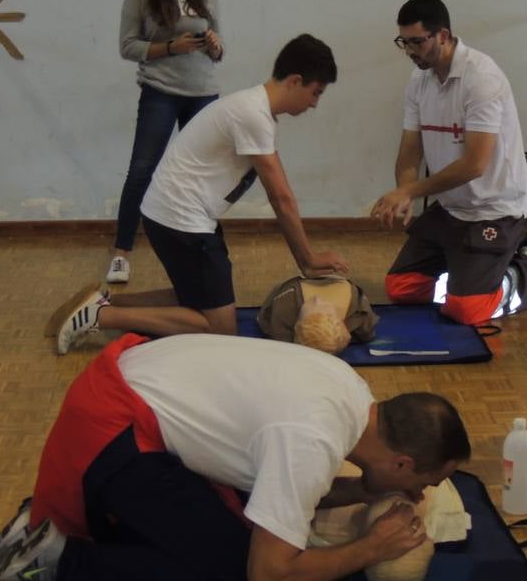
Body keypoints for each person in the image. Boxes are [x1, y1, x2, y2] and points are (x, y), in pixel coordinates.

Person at [0, 333, 470, 581]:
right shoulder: (312, 439)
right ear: (401, 461)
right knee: (236, 571)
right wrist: (370, 549)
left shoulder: (349, 391)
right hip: (111, 431)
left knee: (234, 522)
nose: (420, 493)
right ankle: (56, 559)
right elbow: (270, 577)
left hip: (130, 388)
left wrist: (361, 494)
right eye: (424, 482)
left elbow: (290, 485)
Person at [50, 35, 349, 354]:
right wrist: (308, 259)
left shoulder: (252, 107)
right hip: (180, 222)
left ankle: (105, 302)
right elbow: (281, 197)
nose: (315, 103)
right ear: (295, 81)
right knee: (221, 329)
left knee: (195, 296)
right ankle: (100, 316)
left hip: (174, 216)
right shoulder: (253, 114)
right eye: (316, 93)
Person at [371, 0, 527, 327]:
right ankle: (468, 271)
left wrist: (411, 192)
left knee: (466, 311)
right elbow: (409, 152)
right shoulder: (419, 81)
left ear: (442, 35)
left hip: (496, 211)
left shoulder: (481, 78)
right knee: (402, 288)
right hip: (451, 210)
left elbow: (475, 165)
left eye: (417, 42)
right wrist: (405, 192)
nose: (410, 51)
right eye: (404, 42)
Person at [108, 0, 227, 286]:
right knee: (142, 169)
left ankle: (207, 245)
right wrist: (170, 48)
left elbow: (221, 50)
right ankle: (121, 253)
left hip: (203, 92)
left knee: (204, 175)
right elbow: (127, 46)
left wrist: (213, 43)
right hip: (161, 91)